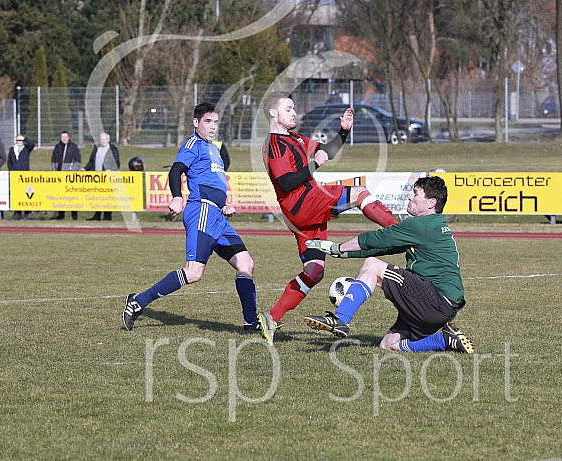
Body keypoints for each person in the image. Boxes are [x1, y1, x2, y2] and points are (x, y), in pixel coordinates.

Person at [256, 91, 399, 345]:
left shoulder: (297, 138)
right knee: (358, 192)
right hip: (301, 203)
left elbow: (326, 151)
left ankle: (271, 317)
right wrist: (315, 165)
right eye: (288, 108)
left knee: (314, 271)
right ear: (273, 113)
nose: (294, 112)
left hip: (304, 214)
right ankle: (404, 230)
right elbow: (287, 182)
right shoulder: (274, 144)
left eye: (294, 108)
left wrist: (342, 132)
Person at [123, 102, 259, 332]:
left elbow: (211, 182)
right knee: (194, 272)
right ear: (196, 123)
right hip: (202, 212)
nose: (213, 127)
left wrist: (224, 205)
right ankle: (138, 301)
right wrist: (177, 196)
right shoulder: (193, 144)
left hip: (217, 216)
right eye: (208, 122)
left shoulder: (214, 149)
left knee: (246, 264)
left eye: (215, 122)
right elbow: (176, 169)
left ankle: (250, 323)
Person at [303, 175, 474, 354]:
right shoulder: (433, 225)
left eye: (415, 194)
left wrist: (338, 247)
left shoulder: (421, 225)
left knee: (373, 265)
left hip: (434, 301)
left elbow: (376, 239)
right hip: (443, 309)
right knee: (388, 344)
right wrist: (341, 252)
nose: (410, 197)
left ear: (431, 203)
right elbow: (386, 247)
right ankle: (444, 340)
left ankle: (341, 319)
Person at [82, 132, 120, 221]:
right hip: (97, 177)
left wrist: (111, 169)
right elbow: (91, 161)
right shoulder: (96, 148)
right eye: (101, 139)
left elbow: (117, 162)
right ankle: (97, 215)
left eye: (104, 139)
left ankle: (107, 216)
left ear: (108, 140)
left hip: (107, 177)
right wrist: (86, 169)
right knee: (98, 196)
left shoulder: (113, 149)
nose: (102, 141)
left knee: (107, 197)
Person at [51, 130, 81, 220]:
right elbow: (53, 160)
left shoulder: (73, 147)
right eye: (62, 137)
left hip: (70, 176)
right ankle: (61, 215)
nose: (64, 139)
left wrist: (72, 171)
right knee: (61, 196)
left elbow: (77, 161)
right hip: (59, 176)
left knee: (72, 197)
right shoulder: (57, 147)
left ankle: (74, 215)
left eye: (65, 137)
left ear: (69, 138)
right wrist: (55, 172)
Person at [7, 134, 35, 220]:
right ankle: (18, 213)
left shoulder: (26, 149)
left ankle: (26, 213)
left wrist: (25, 138)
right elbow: (9, 162)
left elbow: (32, 144)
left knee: (26, 194)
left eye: (21, 140)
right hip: (15, 175)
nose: (19, 142)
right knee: (17, 195)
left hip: (25, 175)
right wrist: (11, 171)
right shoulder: (12, 149)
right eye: (18, 140)